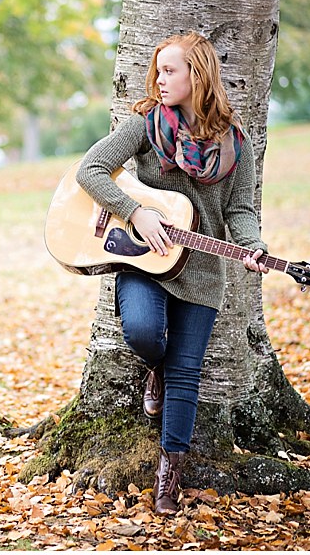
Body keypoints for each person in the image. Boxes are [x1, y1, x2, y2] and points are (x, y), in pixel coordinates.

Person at [75, 32, 269, 515]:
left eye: (170, 71)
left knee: (187, 373)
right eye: (158, 70)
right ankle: (152, 368)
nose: (159, 79)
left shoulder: (234, 144)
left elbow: (240, 210)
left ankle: (169, 475)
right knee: (143, 332)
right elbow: (91, 169)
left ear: (197, 76)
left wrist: (252, 247)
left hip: (202, 272)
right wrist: (135, 210)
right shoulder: (146, 126)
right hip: (144, 260)